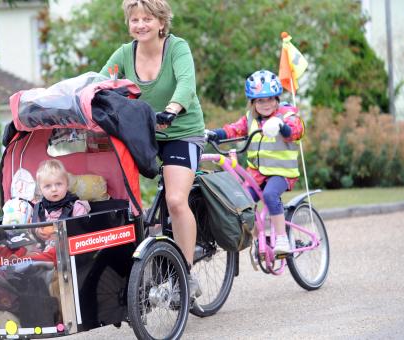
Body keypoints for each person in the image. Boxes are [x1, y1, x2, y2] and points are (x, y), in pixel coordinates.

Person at [100, 0, 205, 297]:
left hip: (181, 131)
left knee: (174, 200)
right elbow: (99, 83)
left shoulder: (177, 48)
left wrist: (171, 110)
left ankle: (186, 274)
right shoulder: (123, 54)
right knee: (120, 200)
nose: (141, 25)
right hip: (141, 134)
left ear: (161, 23)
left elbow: (186, 84)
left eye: (147, 18)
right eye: (135, 20)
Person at [207, 70, 305, 255]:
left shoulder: (286, 114)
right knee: (242, 202)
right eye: (260, 100)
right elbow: (235, 129)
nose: (265, 104)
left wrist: (281, 127)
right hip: (257, 174)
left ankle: (282, 239)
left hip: (282, 174)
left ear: (277, 98)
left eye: (269, 99)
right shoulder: (250, 118)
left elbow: (296, 130)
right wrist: (215, 134)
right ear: (253, 102)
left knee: (269, 195)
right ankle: (258, 239)